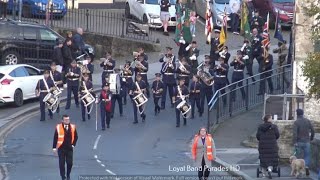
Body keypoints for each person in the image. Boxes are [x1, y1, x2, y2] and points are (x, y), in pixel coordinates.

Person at [52, 115, 78, 180]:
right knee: (61, 164)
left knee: (70, 163)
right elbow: (55, 137)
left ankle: (68, 174)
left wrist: (73, 145)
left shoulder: (73, 127)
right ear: (62, 121)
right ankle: (63, 177)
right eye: (66, 120)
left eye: (68, 119)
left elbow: (76, 136)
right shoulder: (58, 127)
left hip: (69, 148)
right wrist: (54, 148)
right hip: (61, 148)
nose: (67, 121)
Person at [256, 115, 280, 179]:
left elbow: (258, 136)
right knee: (271, 158)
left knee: (263, 158)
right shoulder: (274, 127)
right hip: (272, 146)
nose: (272, 119)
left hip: (263, 146)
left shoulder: (260, 127)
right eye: (271, 118)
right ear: (269, 119)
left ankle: (264, 173)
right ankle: (270, 169)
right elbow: (277, 135)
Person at [293, 109, 315, 177]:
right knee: (307, 156)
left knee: (298, 157)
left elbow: (295, 133)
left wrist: (295, 141)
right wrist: (311, 138)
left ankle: (298, 172)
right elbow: (313, 130)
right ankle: (306, 166)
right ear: (303, 113)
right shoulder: (307, 121)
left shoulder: (296, 122)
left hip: (299, 142)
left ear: (297, 114)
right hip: (307, 141)